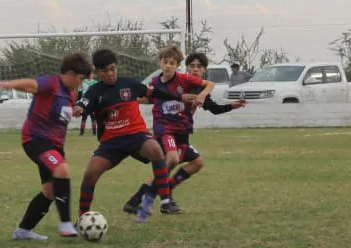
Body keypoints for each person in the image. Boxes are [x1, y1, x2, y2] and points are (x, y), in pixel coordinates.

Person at [123, 50, 247, 215]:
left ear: (204, 70)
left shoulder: (197, 88)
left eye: (199, 66)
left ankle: (142, 198)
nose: (195, 69)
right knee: (171, 161)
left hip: (181, 134)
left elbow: (214, 108)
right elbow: (151, 96)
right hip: (165, 130)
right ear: (186, 68)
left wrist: (232, 105)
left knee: (196, 163)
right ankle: (162, 200)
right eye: (192, 66)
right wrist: (131, 99)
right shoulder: (174, 81)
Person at [74, 49, 188, 223]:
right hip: (111, 142)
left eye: (113, 69)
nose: (110, 74)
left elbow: (155, 92)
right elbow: (83, 103)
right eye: (105, 71)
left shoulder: (129, 84)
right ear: (96, 72)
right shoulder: (94, 91)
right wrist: (79, 108)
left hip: (136, 135)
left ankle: (165, 201)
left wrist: (179, 97)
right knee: (90, 174)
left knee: (156, 150)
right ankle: (82, 217)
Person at [0, 52, 93, 240]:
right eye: (80, 79)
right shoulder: (51, 83)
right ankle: (65, 223)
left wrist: (73, 110)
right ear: (70, 74)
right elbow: (32, 85)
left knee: (50, 191)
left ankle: (23, 230)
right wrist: (11, 84)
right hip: (36, 139)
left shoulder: (71, 93)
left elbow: (60, 111)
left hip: (55, 145)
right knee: (62, 170)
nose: (80, 83)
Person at [78, 71, 99, 136]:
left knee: (93, 117)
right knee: (84, 117)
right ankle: (81, 132)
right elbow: (80, 92)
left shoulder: (96, 82)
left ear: (93, 75)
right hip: (85, 102)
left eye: (91, 74)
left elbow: (97, 93)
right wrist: (79, 101)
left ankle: (94, 132)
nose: (90, 75)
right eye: (89, 74)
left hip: (93, 102)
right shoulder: (83, 82)